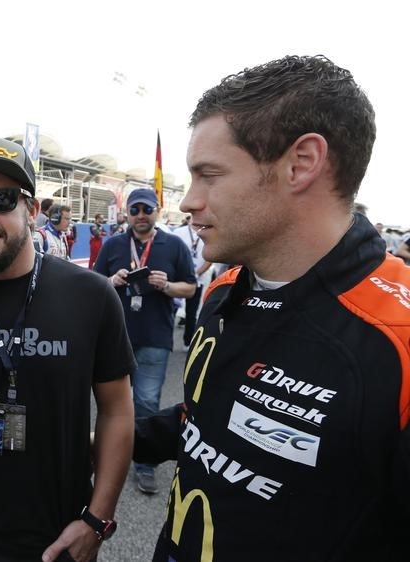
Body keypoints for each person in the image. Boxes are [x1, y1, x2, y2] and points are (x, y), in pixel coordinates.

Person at [137, 55, 410, 561]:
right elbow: (207, 419)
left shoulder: (398, 337)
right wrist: (100, 438)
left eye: (209, 175)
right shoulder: (225, 289)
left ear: (301, 163)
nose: (188, 201)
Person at [0, 136, 134, 562]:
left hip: (60, 536)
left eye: (0, 199)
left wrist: (97, 520)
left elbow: (117, 410)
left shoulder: (91, 295)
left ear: (31, 210)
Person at [93, 187, 196, 494]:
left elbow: (190, 289)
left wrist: (167, 285)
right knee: (110, 403)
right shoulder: (113, 245)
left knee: (147, 401)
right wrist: (112, 281)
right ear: (127, 214)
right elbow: (95, 285)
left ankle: (144, 463)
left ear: (157, 212)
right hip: (115, 337)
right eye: (135, 210)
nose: (140, 215)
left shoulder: (174, 244)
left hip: (155, 336)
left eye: (146, 210)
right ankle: (105, 456)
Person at [171, 214, 213, 348]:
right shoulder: (178, 233)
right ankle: (165, 339)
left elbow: (210, 258)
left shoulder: (209, 233)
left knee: (191, 312)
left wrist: (197, 272)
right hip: (176, 280)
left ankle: (188, 341)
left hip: (197, 280)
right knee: (170, 309)